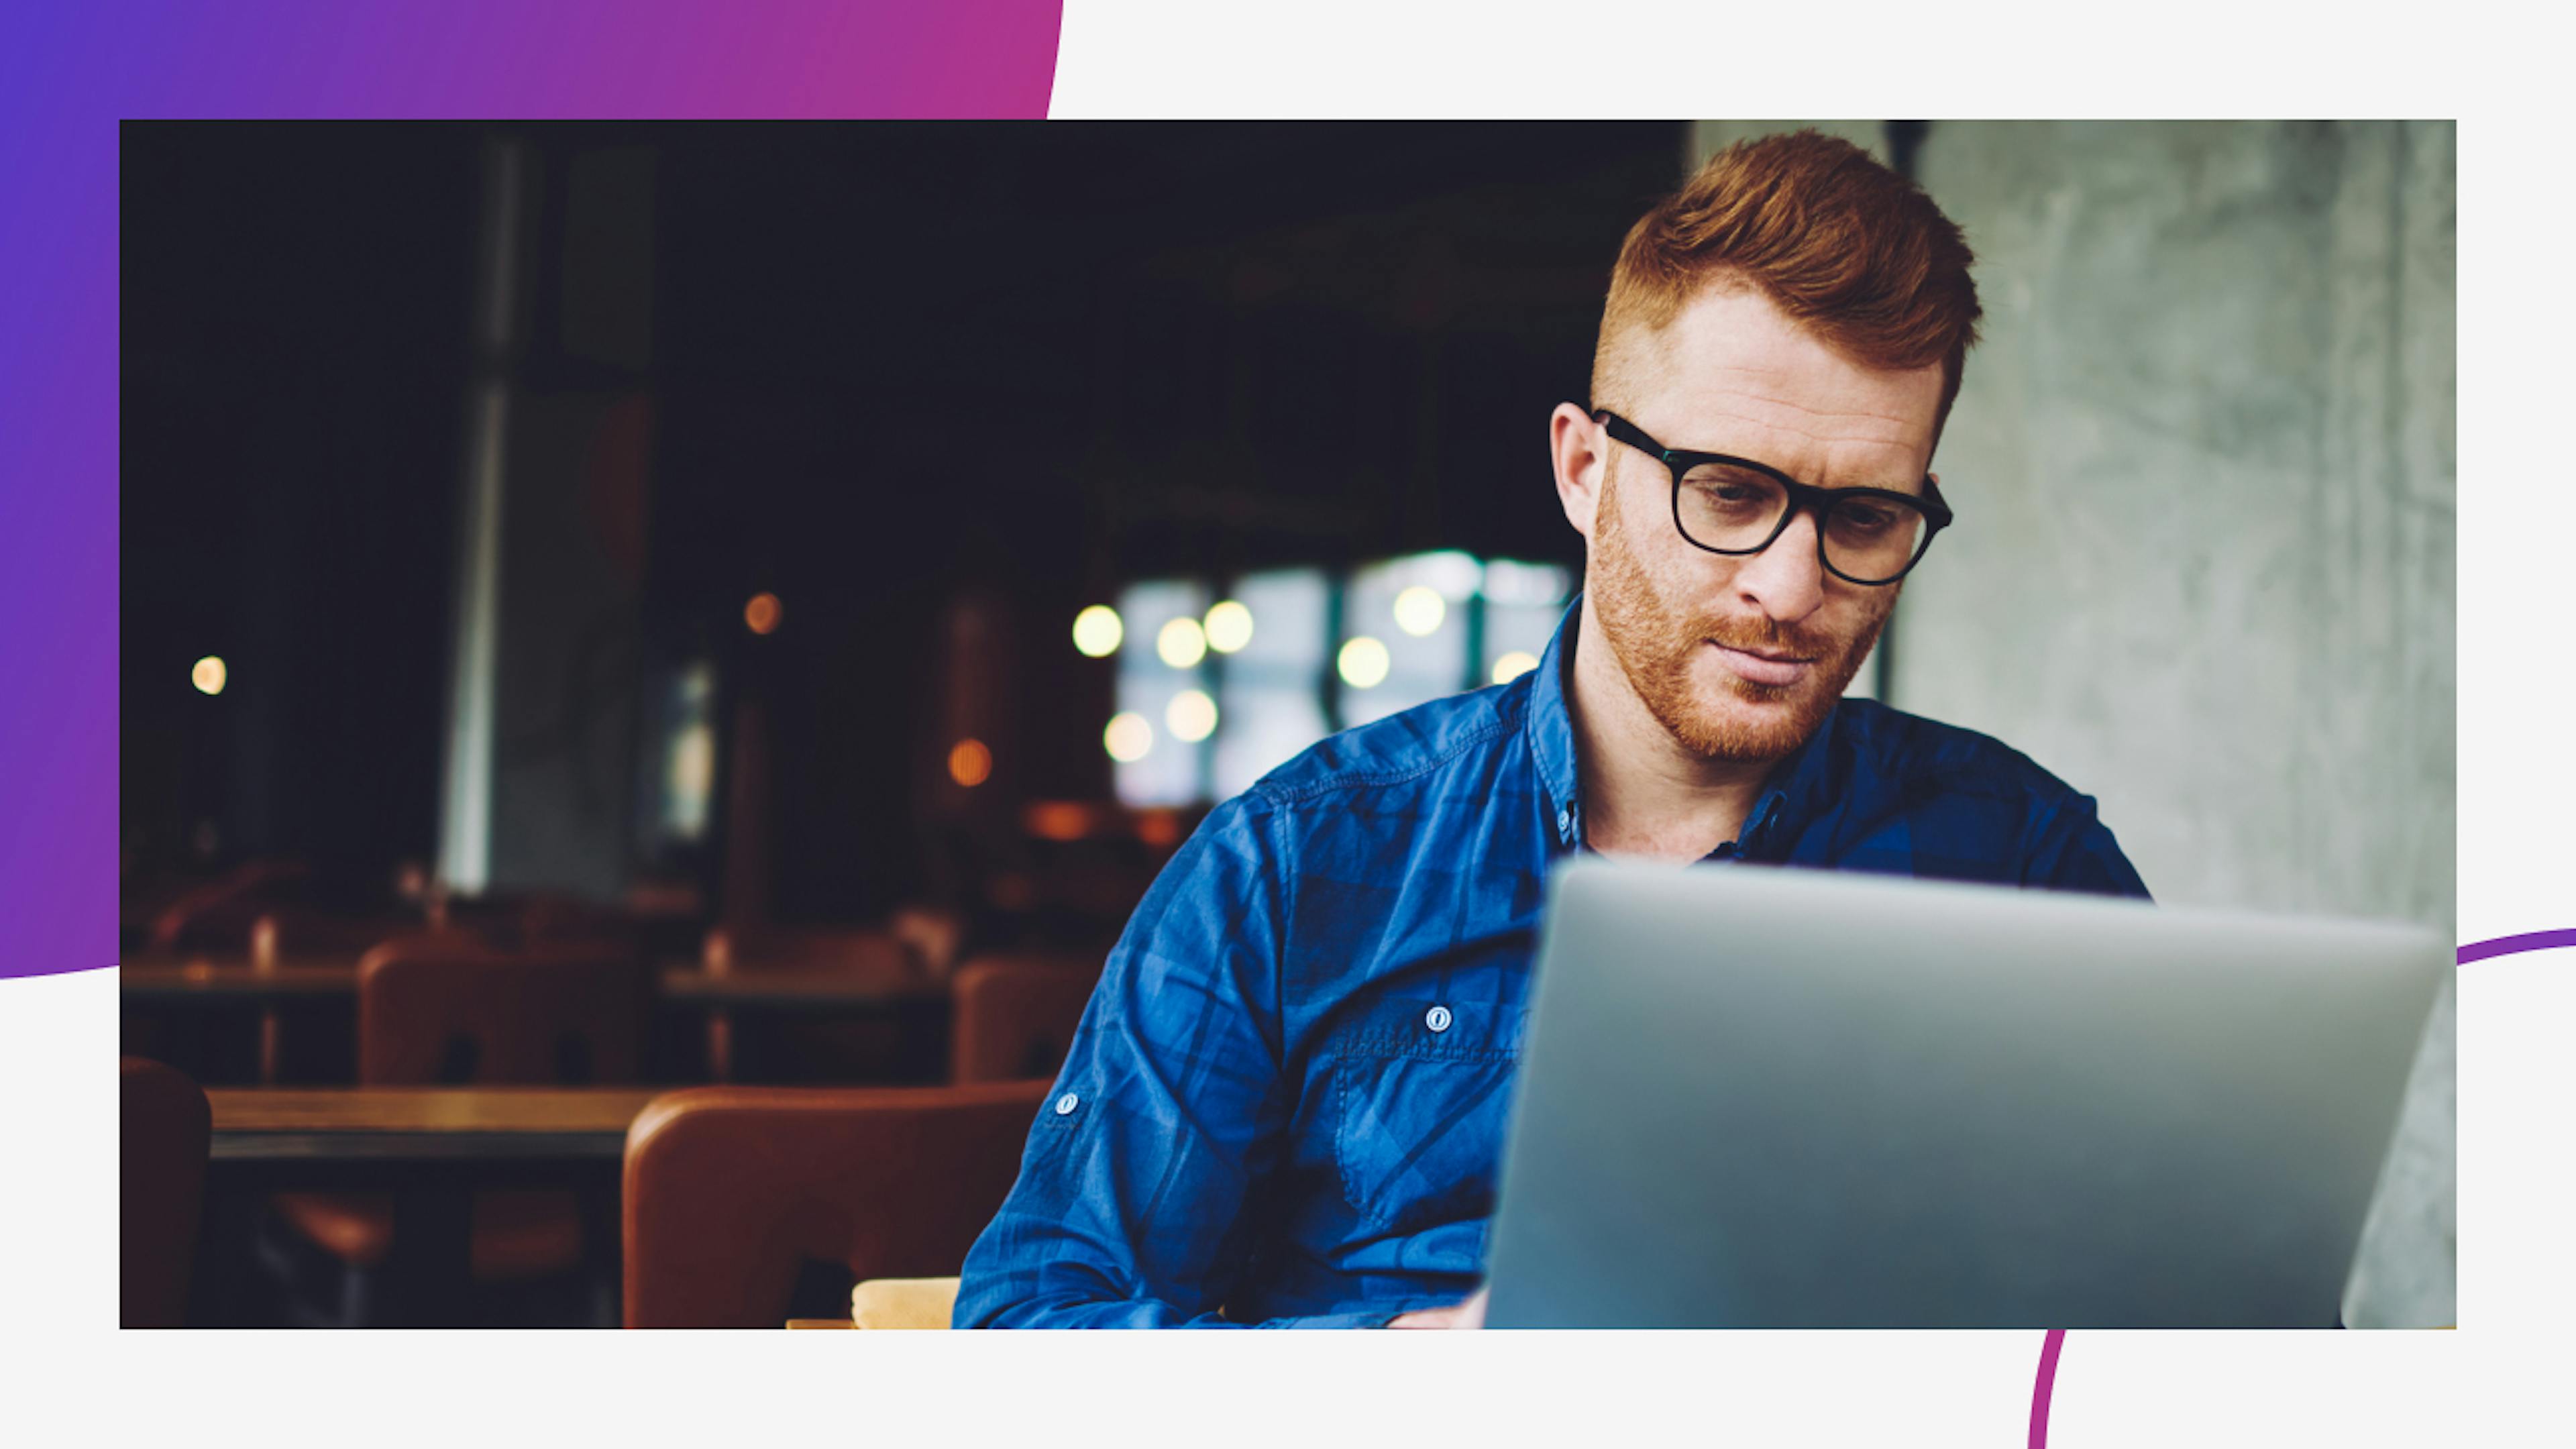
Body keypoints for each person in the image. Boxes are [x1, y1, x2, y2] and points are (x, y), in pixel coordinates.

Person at [954, 129, 2149, 1329]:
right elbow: (1030, 1325)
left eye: (1868, 515)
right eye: (1729, 493)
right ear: (1584, 471)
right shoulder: (1296, 866)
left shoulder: (2024, 862)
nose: (1792, 589)